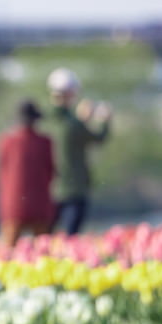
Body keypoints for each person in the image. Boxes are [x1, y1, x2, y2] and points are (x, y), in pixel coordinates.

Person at [47, 68, 112, 236]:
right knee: (70, 238)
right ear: (70, 94)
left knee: (46, 240)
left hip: (48, 189)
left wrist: (81, 120)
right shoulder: (73, 125)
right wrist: (104, 121)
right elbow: (98, 138)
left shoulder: (47, 122)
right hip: (73, 189)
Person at [0, 99, 55, 249]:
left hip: (12, 205)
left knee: (7, 251)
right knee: (42, 251)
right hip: (39, 204)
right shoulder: (45, 142)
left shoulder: (6, 142)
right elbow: (50, 172)